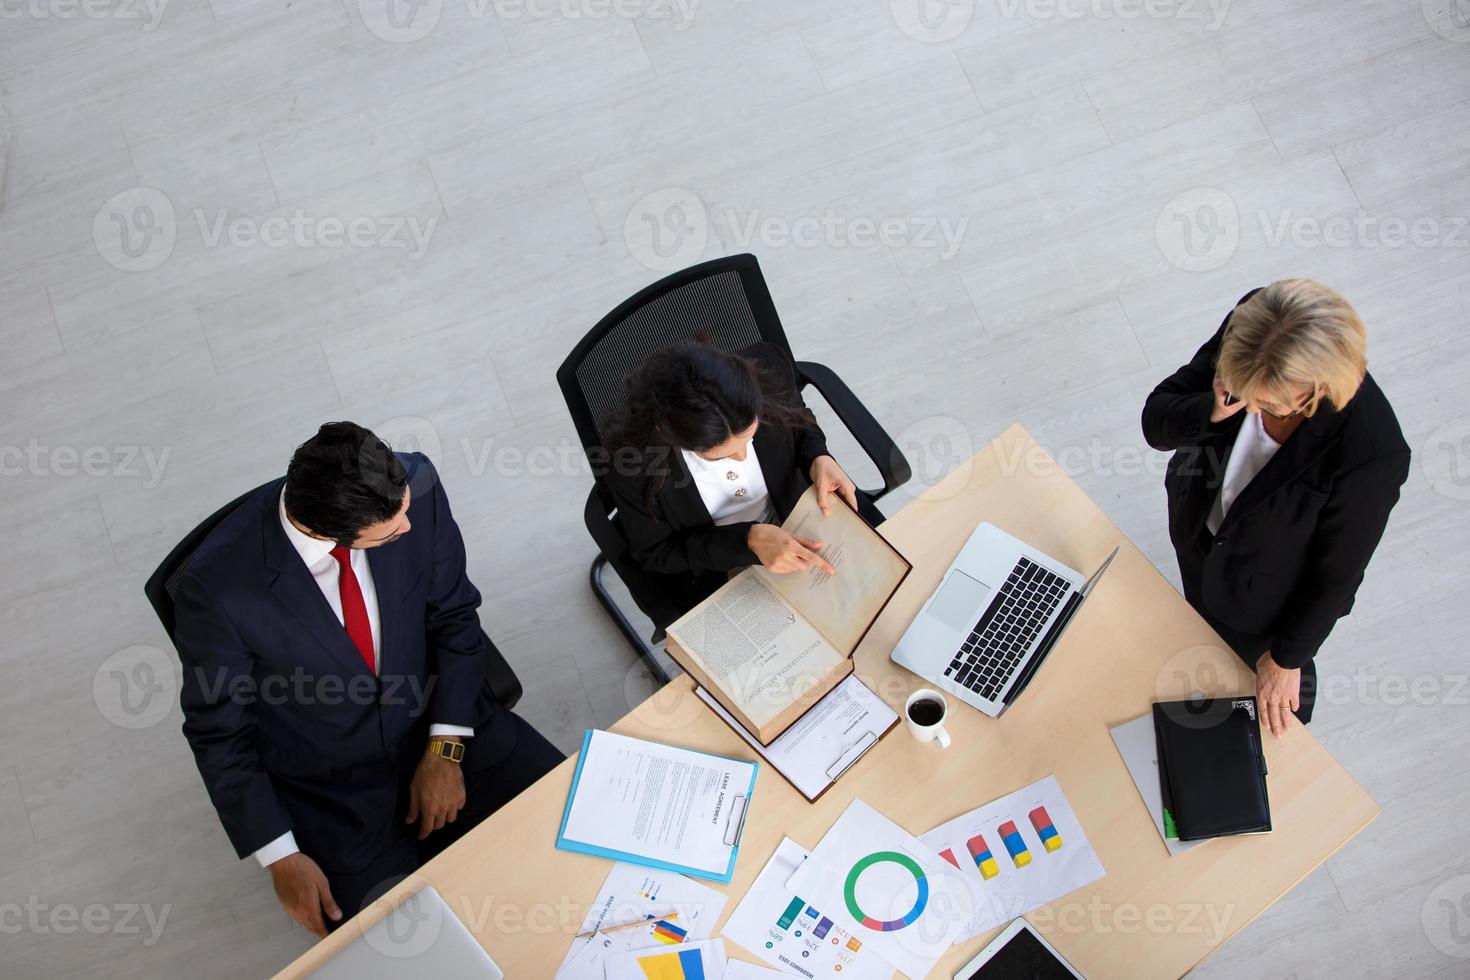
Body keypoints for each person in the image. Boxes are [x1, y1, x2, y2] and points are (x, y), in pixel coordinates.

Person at [173, 422, 563, 937]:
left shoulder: (415, 487)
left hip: (447, 724)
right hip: (339, 795)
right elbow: (220, 734)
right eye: (390, 532)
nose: (408, 528)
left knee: (572, 833)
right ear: (328, 535)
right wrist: (281, 858)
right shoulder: (215, 591)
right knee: (406, 948)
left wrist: (444, 750)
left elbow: (455, 617)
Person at [1142, 280, 1409, 737]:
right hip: (1197, 526)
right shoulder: (1257, 325)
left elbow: (1336, 577)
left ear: (1313, 393)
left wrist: (1288, 659)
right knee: (1199, 626)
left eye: (1264, 403)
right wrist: (1213, 408)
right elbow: (1157, 420)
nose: (1251, 409)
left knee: (1276, 715)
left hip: (1262, 594)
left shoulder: (1371, 454)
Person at [601, 339, 877, 629]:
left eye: (750, 437)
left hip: (803, 518)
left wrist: (818, 456)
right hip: (718, 563)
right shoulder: (631, 465)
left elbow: (799, 424)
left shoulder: (769, 371)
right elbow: (657, 553)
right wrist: (747, 541)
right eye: (722, 455)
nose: (743, 455)